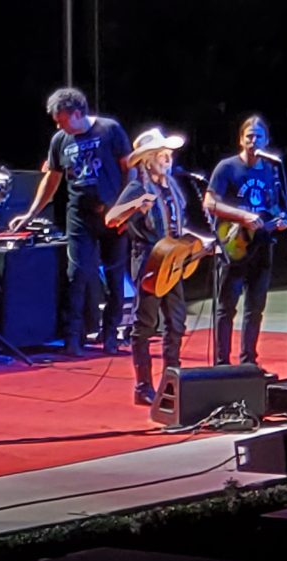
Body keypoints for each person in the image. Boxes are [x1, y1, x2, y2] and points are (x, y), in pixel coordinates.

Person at [10, 87, 133, 356]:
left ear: (78, 113)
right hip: (80, 214)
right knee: (77, 274)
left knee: (114, 277)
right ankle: (73, 337)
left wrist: (125, 210)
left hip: (113, 214)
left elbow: (129, 169)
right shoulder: (60, 140)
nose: (59, 125)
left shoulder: (109, 130)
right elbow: (52, 179)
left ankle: (111, 336)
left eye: (63, 119)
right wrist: (31, 213)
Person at [110, 128, 190, 404]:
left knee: (176, 321)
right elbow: (111, 219)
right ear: (147, 160)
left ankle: (172, 380)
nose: (167, 159)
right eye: (161, 155)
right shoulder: (137, 187)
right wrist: (135, 205)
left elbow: (177, 222)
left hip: (173, 259)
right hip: (148, 259)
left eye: (168, 155)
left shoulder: (172, 185)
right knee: (145, 322)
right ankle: (143, 386)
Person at [202, 115, 287, 366]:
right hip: (234, 246)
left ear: (267, 140)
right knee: (226, 308)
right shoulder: (227, 167)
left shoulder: (272, 169)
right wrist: (242, 216)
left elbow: (273, 207)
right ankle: (222, 363)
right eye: (249, 136)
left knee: (255, 308)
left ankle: (248, 361)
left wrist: (280, 219)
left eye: (258, 137)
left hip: (262, 246)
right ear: (241, 139)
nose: (253, 141)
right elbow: (209, 202)